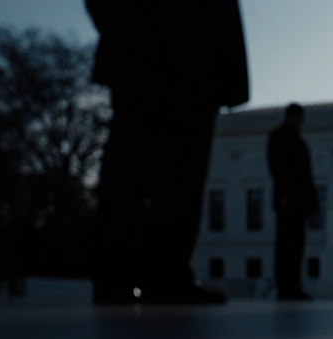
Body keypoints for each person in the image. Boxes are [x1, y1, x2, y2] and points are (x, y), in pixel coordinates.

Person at [87, 0, 249, 305]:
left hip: (197, 56)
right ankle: (122, 274)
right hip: (144, 45)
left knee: (183, 174)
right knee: (132, 166)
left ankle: (164, 274)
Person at [267, 104, 319, 301]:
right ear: (296, 118)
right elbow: (278, 169)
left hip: (295, 201)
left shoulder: (291, 138)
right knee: (288, 246)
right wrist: (285, 195)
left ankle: (292, 287)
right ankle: (287, 288)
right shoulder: (283, 137)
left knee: (294, 246)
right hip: (290, 200)